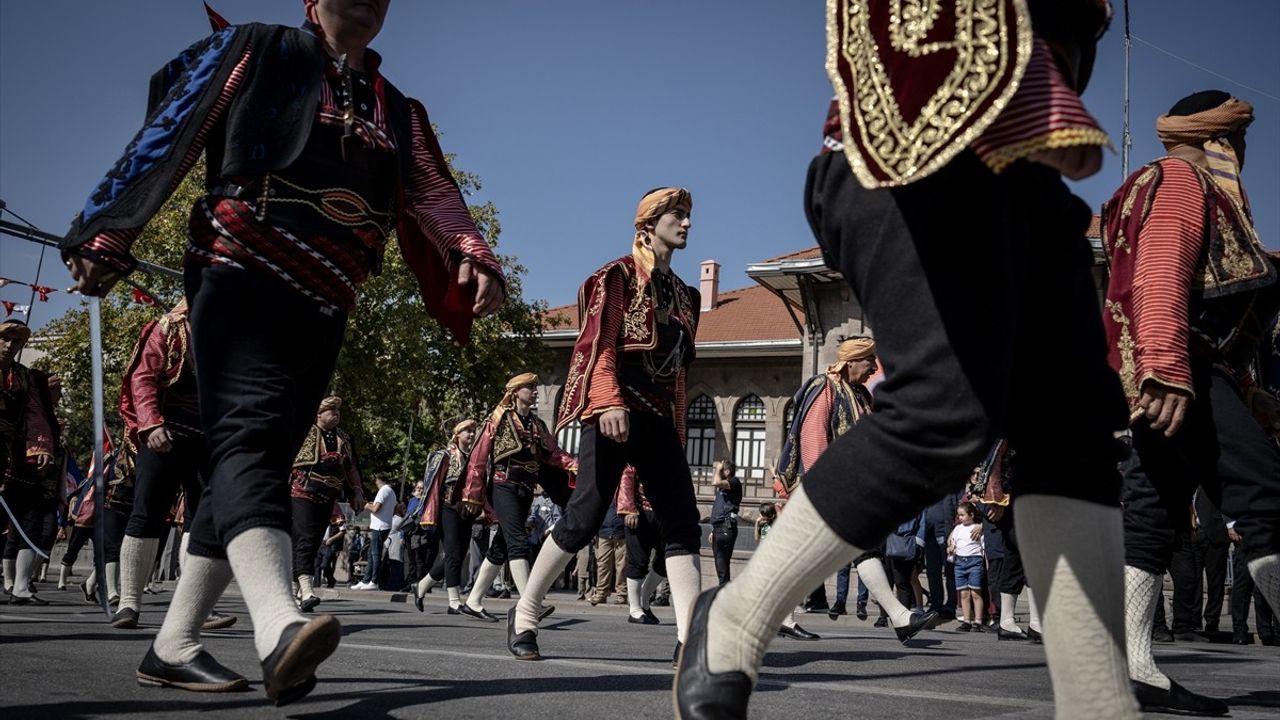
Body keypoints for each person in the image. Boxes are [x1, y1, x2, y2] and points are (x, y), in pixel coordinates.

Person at [674, 2, 1140, 718]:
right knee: (943, 408)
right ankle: (734, 619)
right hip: (908, 144)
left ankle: (1101, 708)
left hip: (1026, 178)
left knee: (1073, 432)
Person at [60, 0, 505, 702]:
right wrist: (111, 226)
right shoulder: (257, 49)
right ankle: (278, 628)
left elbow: (431, 189)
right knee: (249, 434)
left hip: (329, 293)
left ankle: (173, 644)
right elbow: (173, 127)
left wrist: (470, 250)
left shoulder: (398, 107)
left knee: (262, 454)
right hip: (240, 267)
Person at [1102, 89, 1280, 715]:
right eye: (1242, 140)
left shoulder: (1146, 182)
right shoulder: (1181, 179)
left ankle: (1133, 671)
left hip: (1165, 375)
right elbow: (1161, 267)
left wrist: (1249, 390)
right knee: (1264, 501)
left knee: (1150, 511)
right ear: (1222, 140)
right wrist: (1170, 367)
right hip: (1185, 373)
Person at [507, 187, 704, 667]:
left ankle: (691, 639)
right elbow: (600, 343)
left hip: (658, 415)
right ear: (648, 223)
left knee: (683, 522)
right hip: (615, 407)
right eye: (677, 214)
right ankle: (525, 615)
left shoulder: (686, 296)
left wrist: (677, 431)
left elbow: (678, 376)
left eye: (688, 215)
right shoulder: (615, 276)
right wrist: (608, 401)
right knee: (583, 517)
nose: (686, 223)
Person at [774, 336, 937, 641]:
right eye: (869, 361)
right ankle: (900, 617)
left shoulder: (861, 395)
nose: (874, 367)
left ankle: (774, 615)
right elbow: (813, 440)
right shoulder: (824, 387)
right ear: (852, 362)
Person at [111, 301, 215, 628]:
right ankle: (129, 603)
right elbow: (142, 378)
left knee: (202, 522)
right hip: (163, 435)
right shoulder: (167, 329)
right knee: (146, 514)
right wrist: (151, 424)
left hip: (208, 441)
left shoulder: (229, 335)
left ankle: (196, 607)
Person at [456, 373, 576, 621]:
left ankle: (473, 601)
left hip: (526, 488)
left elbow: (553, 453)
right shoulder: (498, 420)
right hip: (504, 486)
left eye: (534, 387)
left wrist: (575, 465)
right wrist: (472, 492)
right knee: (517, 542)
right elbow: (479, 458)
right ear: (515, 392)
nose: (534, 391)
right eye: (529, 387)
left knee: (500, 547)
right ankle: (530, 603)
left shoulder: (537, 425)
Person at [0, 320, 58, 606]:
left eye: (16, 342)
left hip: (17, 458)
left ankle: (21, 586)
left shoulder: (25, 377)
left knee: (31, 520)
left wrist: (41, 446)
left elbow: (36, 414)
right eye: (6, 339)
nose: (10, 346)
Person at [293, 397, 366, 606]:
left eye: (337, 411)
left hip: (329, 497)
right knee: (305, 539)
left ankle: (296, 592)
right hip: (302, 493)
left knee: (313, 541)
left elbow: (351, 470)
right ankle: (307, 591)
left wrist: (358, 493)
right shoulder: (304, 432)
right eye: (330, 410)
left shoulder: (344, 438)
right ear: (318, 414)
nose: (336, 414)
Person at [412, 418, 477, 613]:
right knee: (453, 553)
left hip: (466, 511)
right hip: (447, 509)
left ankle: (422, 586)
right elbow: (432, 485)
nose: (472, 434)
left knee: (457, 554)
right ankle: (454, 600)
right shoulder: (445, 455)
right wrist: (428, 513)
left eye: (474, 431)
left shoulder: (474, 457)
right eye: (468, 431)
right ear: (457, 435)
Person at [618, 465, 665, 625]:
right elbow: (627, 474)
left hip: (666, 513)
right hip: (640, 512)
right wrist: (628, 509)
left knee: (668, 558)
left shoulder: (675, 445)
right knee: (638, 560)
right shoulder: (640, 447)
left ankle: (644, 600)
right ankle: (635, 608)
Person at [948, 503, 986, 632]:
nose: (960, 517)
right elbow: (951, 544)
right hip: (959, 562)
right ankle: (966, 621)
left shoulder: (977, 528)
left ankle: (978, 621)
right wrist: (950, 549)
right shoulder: (958, 528)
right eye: (958, 515)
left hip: (974, 561)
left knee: (976, 593)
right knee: (964, 594)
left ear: (971, 515)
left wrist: (986, 563)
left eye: (962, 515)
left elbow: (983, 547)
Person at [356, 476, 396, 590]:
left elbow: (375, 509)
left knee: (375, 554)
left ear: (378, 480)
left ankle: (374, 581)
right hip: (384, 525)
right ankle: (366, 580)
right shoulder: (391, 491)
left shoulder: (383, 490)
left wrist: (366, 504)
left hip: (379, 526)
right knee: (371, 553)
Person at [709, 460, 741, 586]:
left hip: (726, 528)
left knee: (722, 565)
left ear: (727, 471)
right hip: (719, 528)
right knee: (720, 565)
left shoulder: (734, 482)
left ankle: (723, 594)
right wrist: (713, 529)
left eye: (721, 471)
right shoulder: (724, 488)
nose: (718, 473)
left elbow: (715, 482)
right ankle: (723, 592)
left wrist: (718, 468)